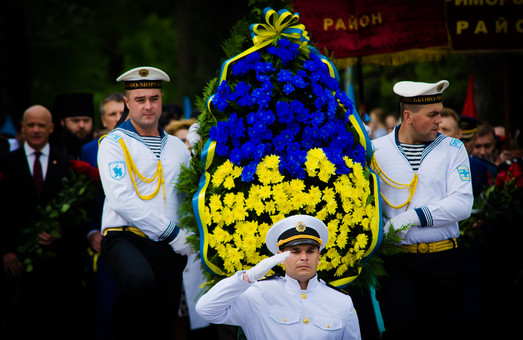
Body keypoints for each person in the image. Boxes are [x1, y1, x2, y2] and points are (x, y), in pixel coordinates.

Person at [371, 80, 473, 340]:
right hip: (397, 263)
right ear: (408, 115)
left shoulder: (453, 148)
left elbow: (462, 204)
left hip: (443, 261)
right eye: (433, 115)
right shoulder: (376, 150)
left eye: (440, 113)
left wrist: (409, 218)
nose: (440, 120)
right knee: (401, 333)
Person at [97, 66, 193, 340]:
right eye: (140, 100)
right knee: (140, 282)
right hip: (126, 237)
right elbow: (121, 199)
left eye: (154, 98)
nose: (148, 106)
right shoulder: (113, 142)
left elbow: (187, 197)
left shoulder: (177, 146)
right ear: (127, 103)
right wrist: (173, 233)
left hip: (168, 248)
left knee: (163, 322)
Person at [195, 214, 362, 340]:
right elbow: (206, 309)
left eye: (310, 251)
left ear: (319, 255)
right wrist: (248, 276)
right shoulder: (258, 294)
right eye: (295, 251)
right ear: (279, 256)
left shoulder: (341, 301)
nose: (304, 257)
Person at [0, 105, 88, 339]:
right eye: (31, 125)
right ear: (22, 128)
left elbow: (79, 214)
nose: (36, 130)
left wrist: (61, 233)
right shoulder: (6, 164)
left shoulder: (67, 164)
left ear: (51, 128)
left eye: (41, 125)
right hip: (16, 265)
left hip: (58, 267)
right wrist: (6, 251)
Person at [51, 92, 95, 159]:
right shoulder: (52, 149)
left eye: (86, 120)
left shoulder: (101, 146)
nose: (82, 125)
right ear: (63, 122)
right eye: (76, 121)